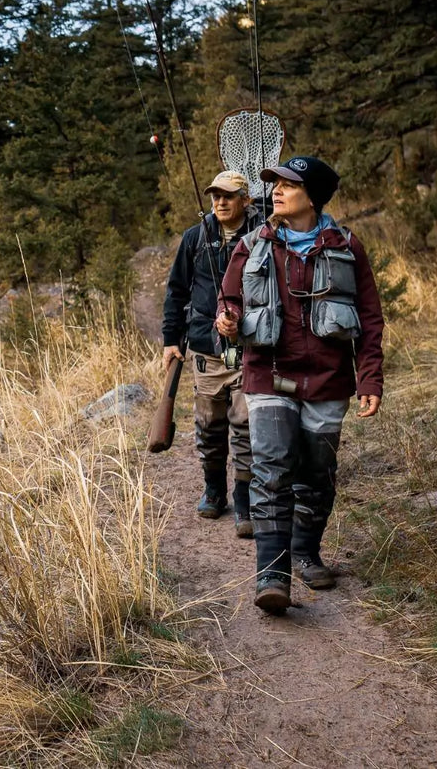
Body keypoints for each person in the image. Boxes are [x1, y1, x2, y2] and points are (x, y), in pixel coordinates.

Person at [215, 156, 384, 615]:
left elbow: (369, 318)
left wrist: (369, 376)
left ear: (313, 195)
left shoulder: (348, 247)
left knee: (317, 476)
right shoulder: (251, 245)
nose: (276, 191)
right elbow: (229, 300)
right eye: (274, 185)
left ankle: (307, 551)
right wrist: (227, 322)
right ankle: (272, 571)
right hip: (267, 373)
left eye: (288, 185)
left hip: (329, 380)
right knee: (272, 468)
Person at [161, 169, 263, 536]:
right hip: (206, 349)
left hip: (251, 348)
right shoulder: (195, 238)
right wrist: (171, 339)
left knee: (247, 425)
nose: (220, 202)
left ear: (245, 200)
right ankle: (214, 489)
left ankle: (245, 499)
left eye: (228, 196)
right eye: (215, 196)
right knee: (209, 425)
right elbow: (176, 291)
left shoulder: (263, 236)